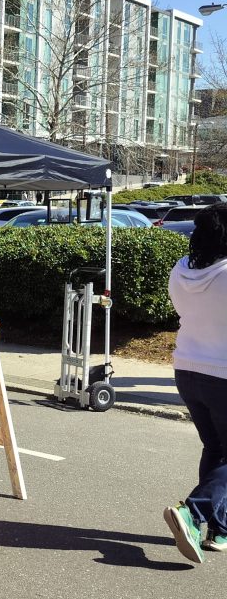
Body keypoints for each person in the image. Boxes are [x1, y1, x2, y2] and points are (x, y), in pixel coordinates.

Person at [164, 203, 227, 564]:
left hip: (187, 369)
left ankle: (219, 528)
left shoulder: (181, 269)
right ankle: (193, 512)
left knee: (216, 449)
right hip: (222, 373)